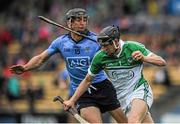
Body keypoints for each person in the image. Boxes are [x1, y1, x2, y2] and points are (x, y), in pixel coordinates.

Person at [9, 9, 127, 123]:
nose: (82, 23)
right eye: (78, 20)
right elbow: (40, 58)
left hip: (102, 87)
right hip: (81, 92)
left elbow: (115, 52)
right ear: (69, 22)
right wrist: (25, 67)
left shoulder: (96, 40)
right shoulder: (60, 42)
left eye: (85, 20)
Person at [63, 25, 167, 123]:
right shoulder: (100, 57)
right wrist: (72, 100)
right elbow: (87, 80)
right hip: (121, 99)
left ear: (116, 41)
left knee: (133, 121)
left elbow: (162, 62)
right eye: (102, 46)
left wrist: (144, 58)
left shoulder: (132, 47)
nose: (103, 49)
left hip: (139, 90)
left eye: (106, 46)